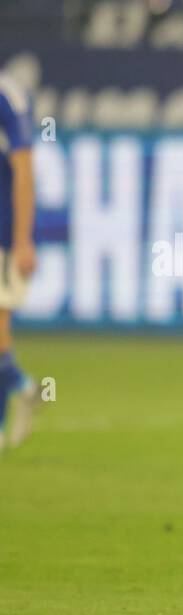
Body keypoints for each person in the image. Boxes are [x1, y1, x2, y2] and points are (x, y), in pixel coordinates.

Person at [0, 71, 39, 455]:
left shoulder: (9, 96)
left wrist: (23, 240)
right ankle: (25, 388)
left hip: (4, 235)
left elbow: (25, 169)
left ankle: (24, 388)